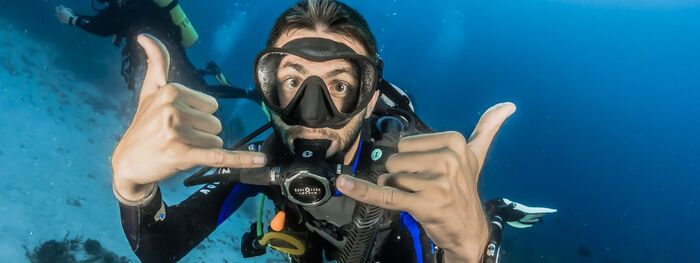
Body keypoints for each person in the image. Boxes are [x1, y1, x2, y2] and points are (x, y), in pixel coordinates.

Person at [109, 0, 525, 262]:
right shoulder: (259, 158)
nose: (311, 114)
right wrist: (132, 187)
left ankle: (495, 214)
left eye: (340, 86)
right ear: (267, 91)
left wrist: (471, 250)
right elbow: (159, 247)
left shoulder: (405, 174)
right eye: (292, 82)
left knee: (474, 220)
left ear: (368, 100)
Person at [55, 0, 249, 100]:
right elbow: (105, 23)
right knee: (174, 92)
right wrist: (75, 18)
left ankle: (249, 94)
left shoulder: (129, 5)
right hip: (160, 53)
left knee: (198, 90)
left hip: (167, 53)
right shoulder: (124, 6)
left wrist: (73, 20)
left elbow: (104, 27)